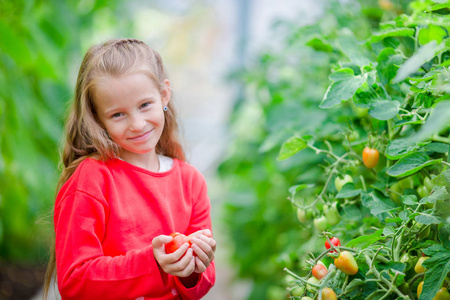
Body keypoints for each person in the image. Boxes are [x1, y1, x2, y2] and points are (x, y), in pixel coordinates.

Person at [43, 38, 216, 300]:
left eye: (145, 105)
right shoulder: (91, 179)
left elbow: (201, 284)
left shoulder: (190, 182)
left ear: (164, 95)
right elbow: (74, 281)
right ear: (97, 117)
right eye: (117, 115)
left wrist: (191, 269)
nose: (137, 124)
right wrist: (151, 263)